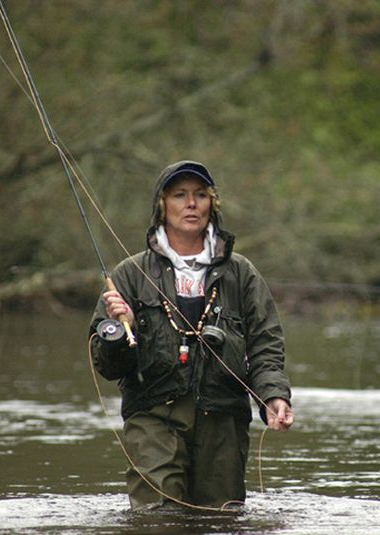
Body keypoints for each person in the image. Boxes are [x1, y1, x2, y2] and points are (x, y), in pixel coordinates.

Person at [89, 160, 293, 510]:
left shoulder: (240, 272)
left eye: (200, 195)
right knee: (157, 518)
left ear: (212, 204)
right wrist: (121, 332)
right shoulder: (129, 274)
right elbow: (107, 365)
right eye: (180, 195)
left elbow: (265, 345)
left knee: (221, 518)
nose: (191, 204)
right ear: (162, 205)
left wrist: (273, 396)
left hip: (224, 418)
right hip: (153, 413)